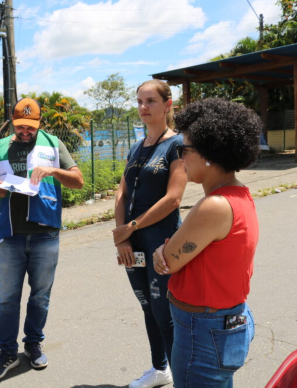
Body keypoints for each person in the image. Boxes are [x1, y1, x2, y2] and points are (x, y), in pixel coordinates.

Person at [153, 98, 261, 387]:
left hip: (203, 331)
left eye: (183, 149)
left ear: (209, 153)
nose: (180, 158)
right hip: (226, 323)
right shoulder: (239, 194)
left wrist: (161, 249)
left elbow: (169, 261)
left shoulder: (213, 205)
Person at [0, 97, 84, 381]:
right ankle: (8, 352)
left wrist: (55, 171)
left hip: (45, 234)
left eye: (31, 127)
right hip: (9, 234)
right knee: (8, 298)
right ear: (13, 122)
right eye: (21, 126)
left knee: (40, 295)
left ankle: (33, 344)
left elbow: (78, 180)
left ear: (40, 123)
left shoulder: (53, 144)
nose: (26, 132)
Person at [113, 80, 187, 388]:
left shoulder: (177, 144)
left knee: (164, 313)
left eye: (151, 101)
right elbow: (122, 191)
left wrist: (130, 227)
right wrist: (124, 237)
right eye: (140, 101)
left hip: (162, 240)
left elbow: (174, 198)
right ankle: (160, 370)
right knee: (147, 307)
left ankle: (183, 378)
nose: (144, 107)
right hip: (134, 242)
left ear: (167, 105)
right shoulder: (135, 146)